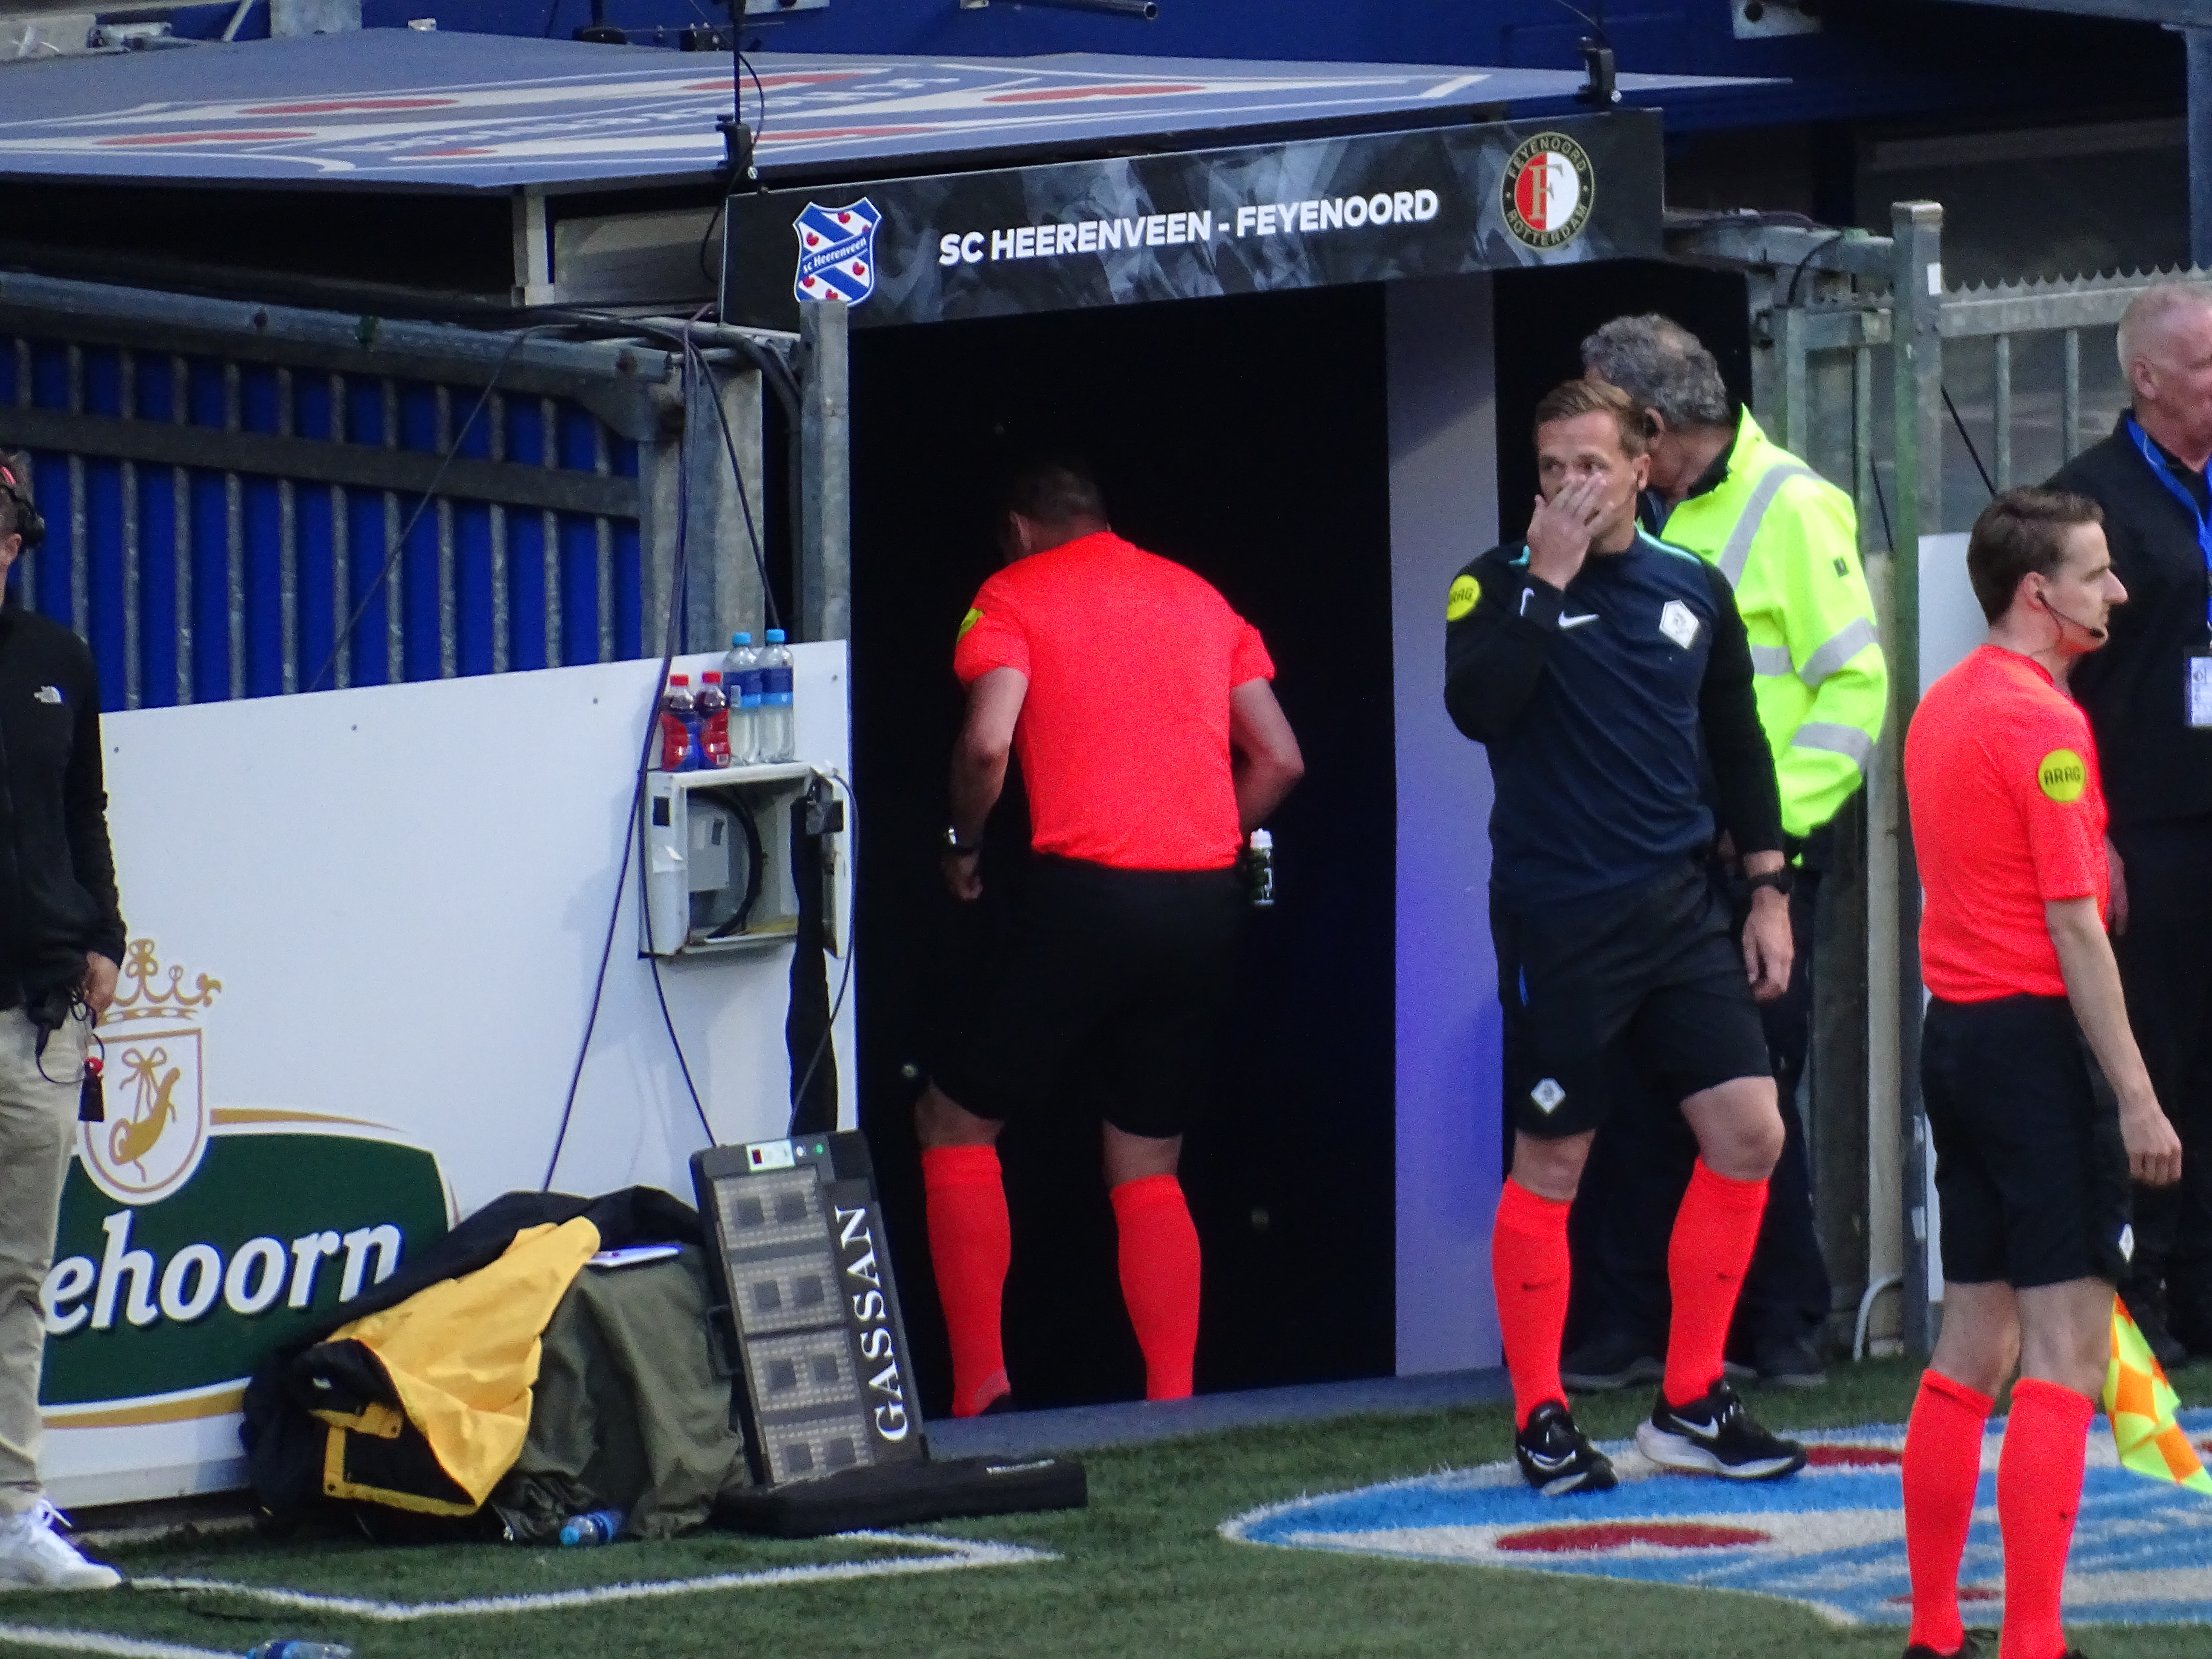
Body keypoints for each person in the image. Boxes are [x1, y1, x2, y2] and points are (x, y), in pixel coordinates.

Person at [1445, 379, 1805, 1496]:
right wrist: (1546, 581)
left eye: (1590, 467)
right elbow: (1479, 709)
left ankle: (1691, 1400)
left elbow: (1739, 743)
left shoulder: (1694, 585)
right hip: (1561, 918)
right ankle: (1541, 1414)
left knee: (1751, 1133)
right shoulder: (1491, 583)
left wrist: (1767, 888)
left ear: (1644, 468)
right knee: (1555, 1159)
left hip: (1684, 910)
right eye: (1551, 469)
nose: (1568, 489)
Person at [913, 460, 1304, 1417]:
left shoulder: (1008, 594)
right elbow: (1283, 758)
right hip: (1204, 901)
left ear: (1017, 528)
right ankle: (1173, 1401)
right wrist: (1210, 838)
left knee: (954, 1124)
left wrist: (963, 844)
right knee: (1147, 1155)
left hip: (1084, 894)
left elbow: (986, 743)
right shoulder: (1202, 597)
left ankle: (980, 1392)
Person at [1565, 314, 1888, 1392]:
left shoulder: (1792, 503)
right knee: (1641, 1092)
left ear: (1650, 425)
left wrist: (1770, 841)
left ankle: (1775, 1324)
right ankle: (1637, 1327)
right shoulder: (1628, 511)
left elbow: (1856, 687)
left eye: (1605, 417)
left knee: (1750, 1093)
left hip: (1755, 863)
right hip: (1645, 858)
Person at [1899, 487, 2181, 1659]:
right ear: (2038, 594)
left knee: (1971, 1348)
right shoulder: (2044, 727)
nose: (2116, 593)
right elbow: (2074, 929)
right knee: (2065, 1354)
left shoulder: (1944, 707)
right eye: (2098, 574)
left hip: (1955, 1039)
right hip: (2034, 1047)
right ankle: (2034, 1639)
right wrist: (2138, 1097)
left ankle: (1933, 1628)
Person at [2046, 282, 2212, 1368]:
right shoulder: (2085, 504)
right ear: (2147, 379)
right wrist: (2092, 833)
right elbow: (2057, 681)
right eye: (2206, 367)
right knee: (2159, 1058)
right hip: (2150, 829)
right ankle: (2151, 1287)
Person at [0, 453, 126, 1591]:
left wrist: (105, 941)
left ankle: (8, 1512)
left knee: (17, 1277)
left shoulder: (57, 662)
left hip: (34, 1015)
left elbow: (83, 811)